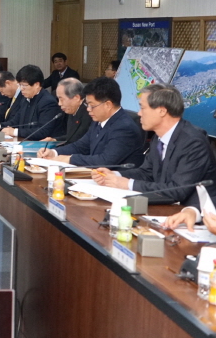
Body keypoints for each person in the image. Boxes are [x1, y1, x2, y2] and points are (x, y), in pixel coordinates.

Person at [92, 84, 216, 230]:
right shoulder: (159, 137)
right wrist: (114, 175)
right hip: (166, 211)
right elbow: (147, 172)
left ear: (162, 111)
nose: (139, 113)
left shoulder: (192, 142)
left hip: (193, 218)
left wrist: (126, 183)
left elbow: (178, 190)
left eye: (143, 108)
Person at [37, 77, 145, 167]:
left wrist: (70, 159)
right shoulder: (98, 120)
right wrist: (54, 152)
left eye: (92, 105)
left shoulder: (124, 128)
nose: (88, 109)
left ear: (108, 105)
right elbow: (81, 145)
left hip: (117, 185)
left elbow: (105, 161)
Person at [0, 65, 64, 140]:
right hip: (23, 142)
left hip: (40, 146)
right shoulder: (25, 98)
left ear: (36, 85)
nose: (21, 89)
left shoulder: (47, 102)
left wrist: (15, 132)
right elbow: (16, 120)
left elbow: (43, 131)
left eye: (24, 85)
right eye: (20, 85)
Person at [40, 78, 91, 146]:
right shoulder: (71, 109)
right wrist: (55, 140)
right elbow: (72, 136)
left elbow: (81, 142)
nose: (59, 104)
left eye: (62, 99)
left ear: (76, 98)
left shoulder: (89, 114)